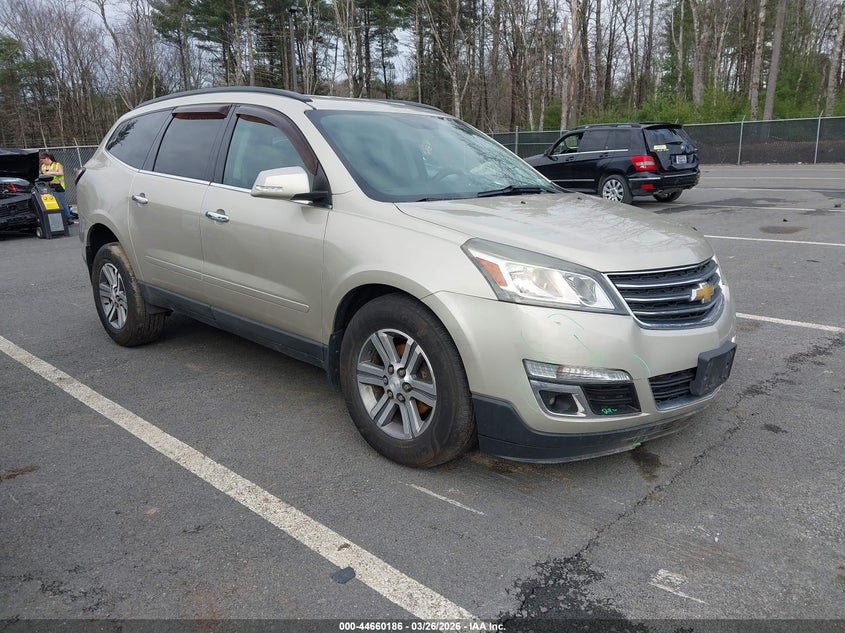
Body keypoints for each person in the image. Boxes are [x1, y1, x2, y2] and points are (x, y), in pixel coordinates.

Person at [39, 151, 75, 224]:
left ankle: (68, 218)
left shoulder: (57, 165)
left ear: (47, 158)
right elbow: (42, 173)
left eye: (42, 160)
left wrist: (50, 172)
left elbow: (61, 173)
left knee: (62, 202)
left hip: (59, 186)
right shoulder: (43, 166)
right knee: (52, 203)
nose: (42, 162)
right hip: (49, 186)